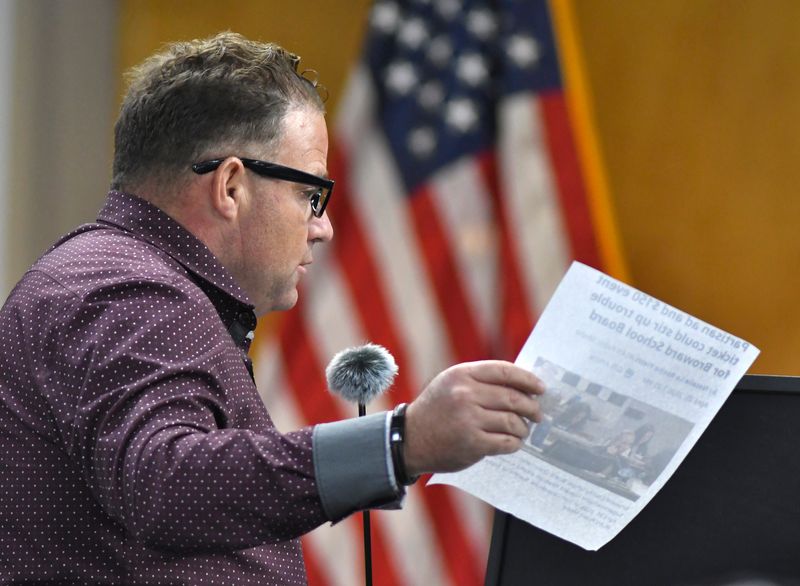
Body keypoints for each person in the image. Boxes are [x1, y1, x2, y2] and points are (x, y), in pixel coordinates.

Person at [0, 33, 544, 585]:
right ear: (231, 186)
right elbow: (166, 485)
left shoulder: (117, 277)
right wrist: (404, 441)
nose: (323, 228)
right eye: (312, 195)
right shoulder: (130, 287)